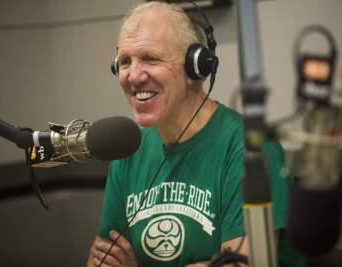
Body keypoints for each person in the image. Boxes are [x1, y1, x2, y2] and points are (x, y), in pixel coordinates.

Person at [87, 2, 304, 267]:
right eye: (124, 62)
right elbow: (103, 261)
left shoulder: (250, 148)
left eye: (150, 58)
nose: (133, 76)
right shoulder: (128, 150)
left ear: (196, 67)